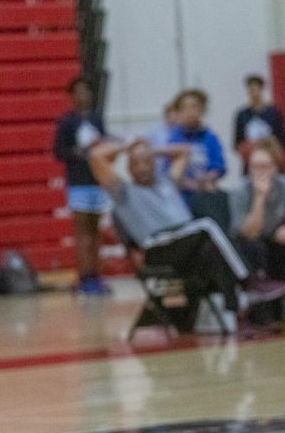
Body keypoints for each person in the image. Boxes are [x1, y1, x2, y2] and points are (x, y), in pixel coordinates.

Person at [89, 138, 267, 316]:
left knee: (214, 248)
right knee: (207, 226)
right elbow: (96, 156)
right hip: (157, 247)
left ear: (155, 163)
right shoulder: (123, 191)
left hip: (185, 244)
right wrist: (129, 146)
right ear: (129, 168)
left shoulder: (167, 181)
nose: (142, 167)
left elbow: (184, 152)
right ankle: (248, 282)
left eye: (147, 161)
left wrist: (151, 149)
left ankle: (235, 307)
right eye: (136, 163)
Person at [53, 77, 111, 295]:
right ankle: (84, 277)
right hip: (78, 182)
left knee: (96, 232)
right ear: (71, 97)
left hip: (96, 181)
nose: (82, 96)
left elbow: (104, 146)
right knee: (81, 232)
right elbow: (58, 152)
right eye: (77, 93)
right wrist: (79, 151)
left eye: (85, 92)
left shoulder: (97, 119)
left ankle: (96, 275)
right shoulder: (67, 122)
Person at [167, 89, 229, 227]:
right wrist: (192, 185)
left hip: (207, 195)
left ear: (202, 109)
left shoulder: (210, 137)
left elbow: (220, 167)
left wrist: (207, 178)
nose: (190, 112)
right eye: (185, 107)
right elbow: (170, 174)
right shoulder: (173, 139)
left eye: (194, 106)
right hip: (183, 200)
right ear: (178, 112)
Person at [229, 137, 285, 280]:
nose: (259, 172)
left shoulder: (282, 185)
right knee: (254, 246)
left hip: (275, 242)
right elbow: (250, 233)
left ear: (275, 166)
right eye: (254, 166)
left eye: (264, 166)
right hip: (248, 245)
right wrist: (259, 197)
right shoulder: (240, 189)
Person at [234, 74, 285, 173]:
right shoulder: (242, 115)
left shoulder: (274, 113)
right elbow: (237, 143)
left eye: (255, 88)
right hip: (250, 165)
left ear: (262, 89)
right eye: (250, 89)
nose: (252, 92)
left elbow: (281, 140)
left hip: (272, 163)